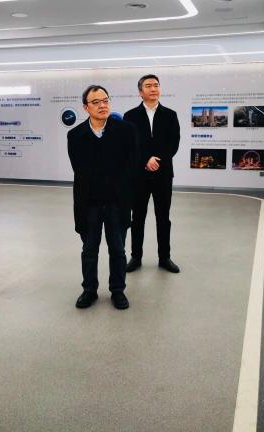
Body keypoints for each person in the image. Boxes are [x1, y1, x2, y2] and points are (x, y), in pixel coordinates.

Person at [67, 85, 138, 310]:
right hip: (89, 203)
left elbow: (131, 165)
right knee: (89, 250)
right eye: (96, 102)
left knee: (117, 249)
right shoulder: (75, 135)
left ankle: (118, 290)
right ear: (85, 107)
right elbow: (79, 170)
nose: (102, 105)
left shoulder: (126, 130)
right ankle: (89, 290)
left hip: (117, 201)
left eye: (105, 100)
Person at [124, 74, 181, 273]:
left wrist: (158, 160)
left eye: (156, 85)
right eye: (148, 86)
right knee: (137, 218)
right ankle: (135, 257)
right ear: (140, 92)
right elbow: (129, 145)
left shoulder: (170, 115)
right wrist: (145, 161)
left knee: (163, 217)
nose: (153, 88)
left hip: (163, 174)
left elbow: (174, 143)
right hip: (138, 176)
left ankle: (164, 257)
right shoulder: (130, 116)